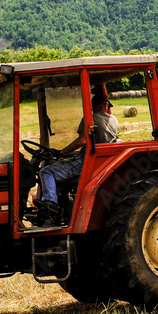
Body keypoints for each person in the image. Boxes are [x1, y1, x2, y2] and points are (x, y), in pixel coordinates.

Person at [33, 92, 119, 222]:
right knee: (59, 178)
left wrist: (61, 152)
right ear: (106, 105)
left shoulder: (91, 118)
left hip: (86, 161)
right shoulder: (114, 120)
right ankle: (60, 210)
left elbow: (83, 140)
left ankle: (51, 203)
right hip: (101, 161)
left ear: (94, 105)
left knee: (47, 172)